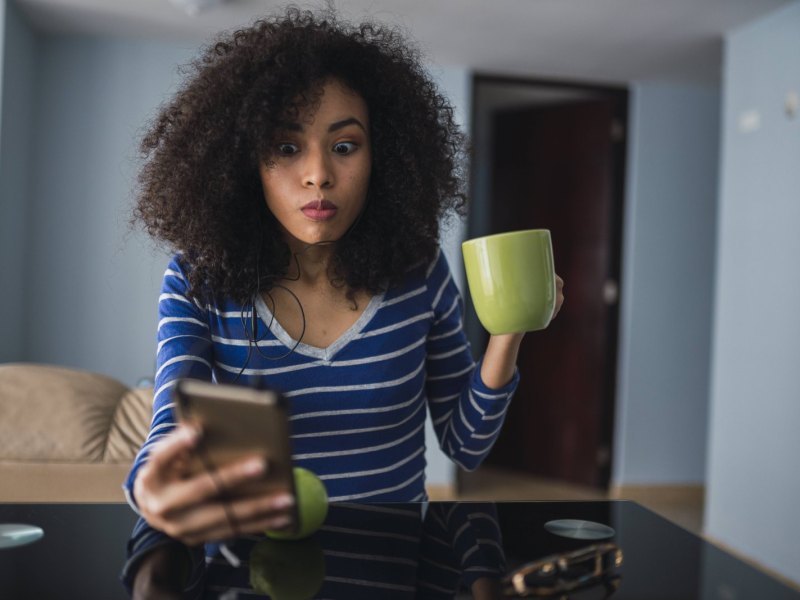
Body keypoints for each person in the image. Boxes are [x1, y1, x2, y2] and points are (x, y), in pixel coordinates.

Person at [122, 7, 564, 595]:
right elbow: (168, 427)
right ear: (242, 162)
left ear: (384, 157)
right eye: (285, 145)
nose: (318, 175)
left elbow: (466, 445)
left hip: (391, 569)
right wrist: (151, 484)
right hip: (244, 573)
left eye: (346, 145)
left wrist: (509, 330)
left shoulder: (419, 273)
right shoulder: (198, 281)